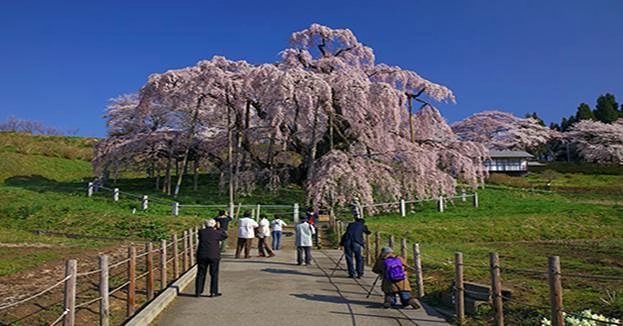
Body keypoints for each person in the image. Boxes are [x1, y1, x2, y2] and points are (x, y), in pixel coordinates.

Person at [195, 219, 228, 297]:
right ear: (214, 225)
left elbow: (200, 236)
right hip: (214, 255)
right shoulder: (217, 232)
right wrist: (219, 228)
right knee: (214, 274)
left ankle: (198, 292)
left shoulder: (201, 232)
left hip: (202, 255)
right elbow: (225, 235)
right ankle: (213, 292)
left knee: (201, 273)